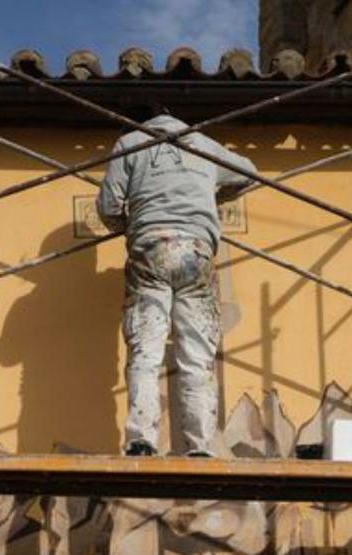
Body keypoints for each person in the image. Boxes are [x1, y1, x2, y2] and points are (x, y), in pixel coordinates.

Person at [97, 104, 257, 457]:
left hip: (150, 251)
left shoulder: (129, 143)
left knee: (146, 351)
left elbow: (109, 207)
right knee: (197, 355)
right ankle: (201, 446)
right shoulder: (204, 144)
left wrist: (133, 225)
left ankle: (141, 440)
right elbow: (249, 173)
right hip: (197, 253)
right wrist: (210, 194)